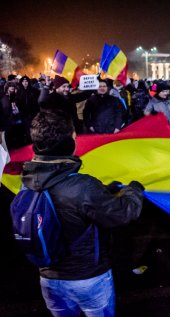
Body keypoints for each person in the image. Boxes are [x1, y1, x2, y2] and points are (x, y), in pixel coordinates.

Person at [20, 109, 144, 316]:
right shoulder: (83, 186)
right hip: (87, 279)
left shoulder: (28, 181)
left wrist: (105, 190)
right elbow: (123, 213)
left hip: (48, 278)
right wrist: (134, 189)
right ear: (68, 141)